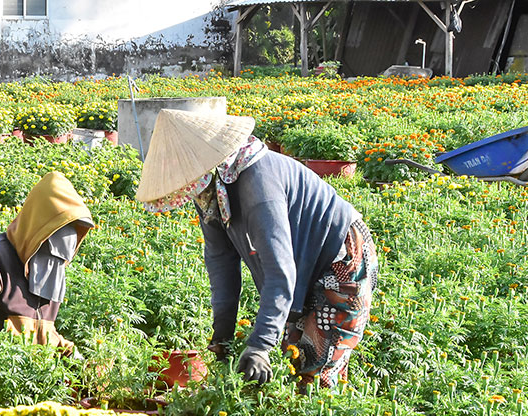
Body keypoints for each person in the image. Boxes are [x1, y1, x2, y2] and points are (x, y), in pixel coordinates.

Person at [136, 109, 378, 390]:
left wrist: (260, 346)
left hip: (340, 255)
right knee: (291, 355)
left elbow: (280, 271)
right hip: (301, 263)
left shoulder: (257, 183)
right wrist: (221, 340)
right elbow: (221, 264)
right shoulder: (209, 192)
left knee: (315, 366)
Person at [0, 171, 93, 355]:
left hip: (35, 376)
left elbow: (43, 332)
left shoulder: (53, 269)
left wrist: (73, 356)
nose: (55, 262)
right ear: (38, 230)